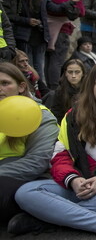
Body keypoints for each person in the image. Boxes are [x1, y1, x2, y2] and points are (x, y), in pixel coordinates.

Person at [10, 61, 96, 238]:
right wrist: (73, 180)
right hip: (78, 185)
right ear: (90, 86)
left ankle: (46, 218)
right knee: (25, 193)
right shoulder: (72, 115)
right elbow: (60, 154)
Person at [0, 62, 59, 225]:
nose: (0, 89)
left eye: (5, 83)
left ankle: (39, 215)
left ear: (21, 87)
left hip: (26, 178)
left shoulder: (41, 116)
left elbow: (38, 161)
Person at [44, 0, 85, 89]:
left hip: (49, 33)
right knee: (57, 61)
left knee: (49, 61)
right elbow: (80, 12)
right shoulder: (63, 0)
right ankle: (55, 87)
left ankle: (49, 85)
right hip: (61, 33)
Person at [43, 59, 86, 123]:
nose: (73, 76)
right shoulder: (60, 91)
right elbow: (57, 114)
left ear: (83, 73)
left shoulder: (89, 88)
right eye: (70, 72)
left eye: (77, 72)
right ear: (65, 73)